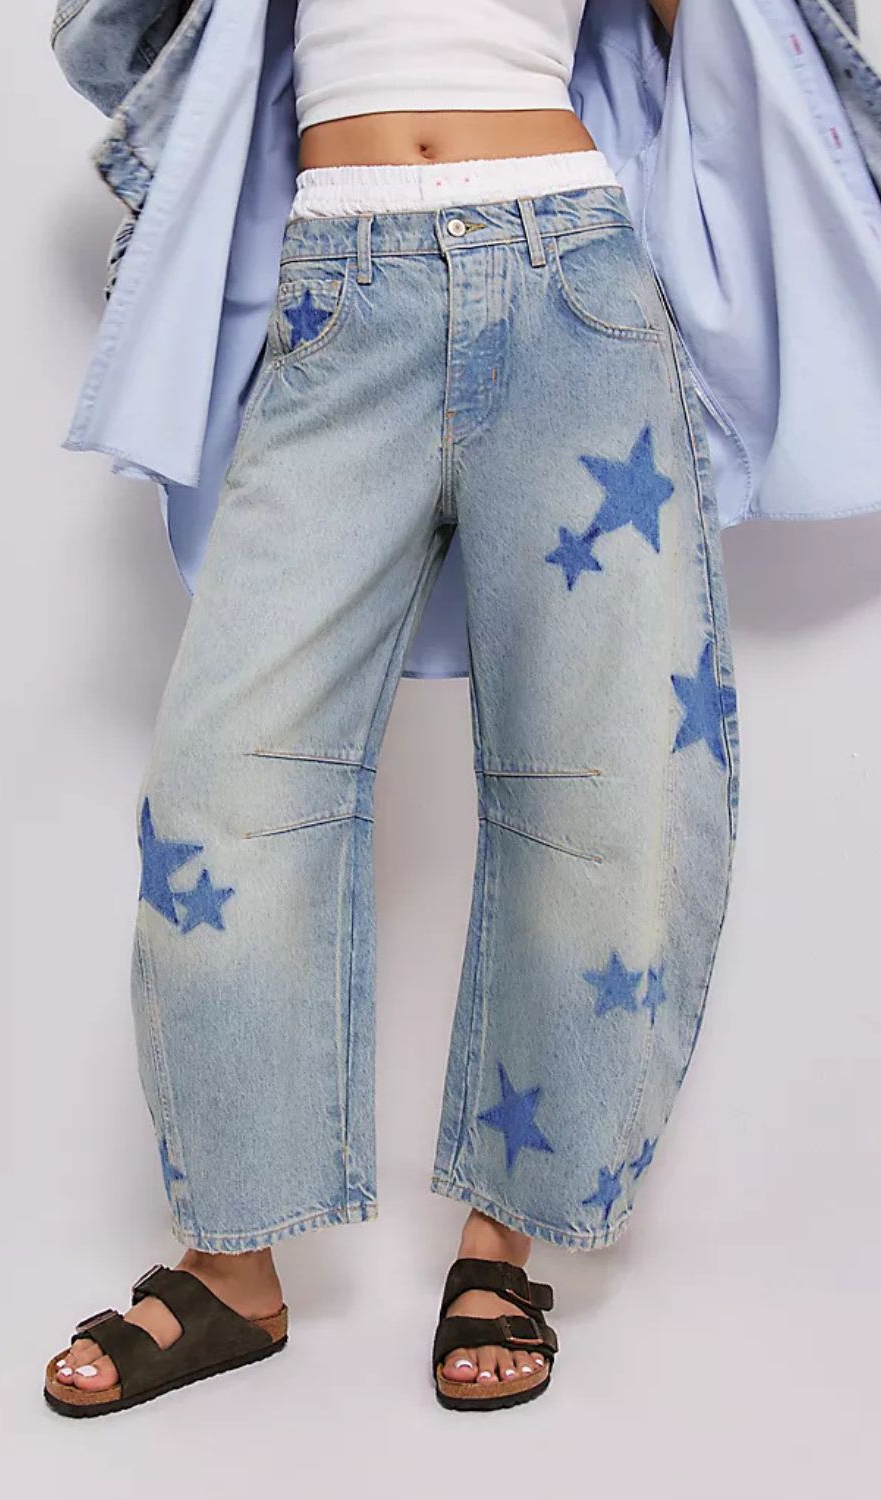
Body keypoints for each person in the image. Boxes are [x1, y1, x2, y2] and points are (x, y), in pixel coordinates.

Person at [44, 0, 742, 1417]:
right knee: (226, 785)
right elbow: (109, 31)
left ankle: (503, 1245)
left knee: (606, 778)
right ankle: (231, 1269)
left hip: (571, 282)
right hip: (337, 288)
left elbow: (716, 45)